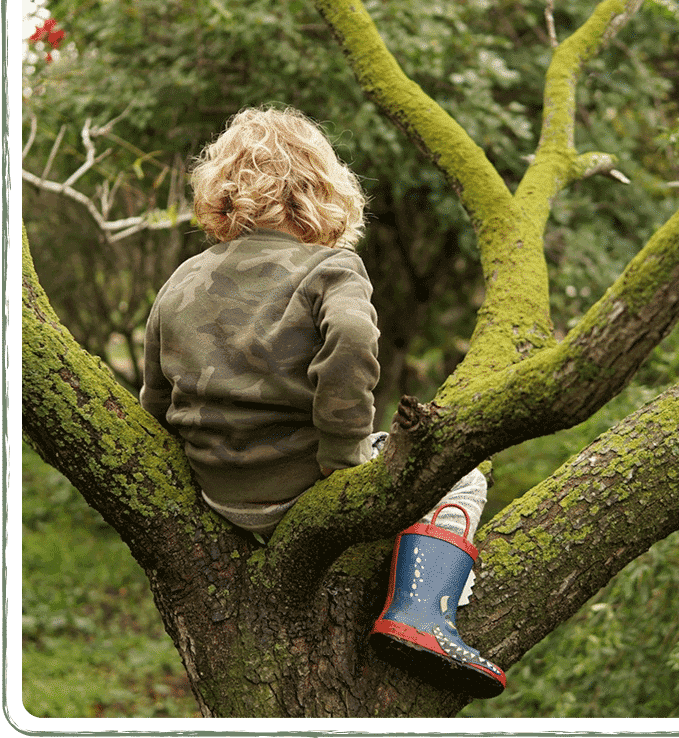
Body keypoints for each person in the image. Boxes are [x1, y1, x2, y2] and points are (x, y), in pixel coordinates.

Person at [140, 106, 506, 698]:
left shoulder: (181, 279)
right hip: (305, 482)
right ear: (322, 190)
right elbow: (355, 339)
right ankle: (422, 614)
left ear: (223, 193)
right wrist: (343, 455)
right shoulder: (331, 268)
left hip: (218, 493)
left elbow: (154, 398)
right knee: (459, 474)